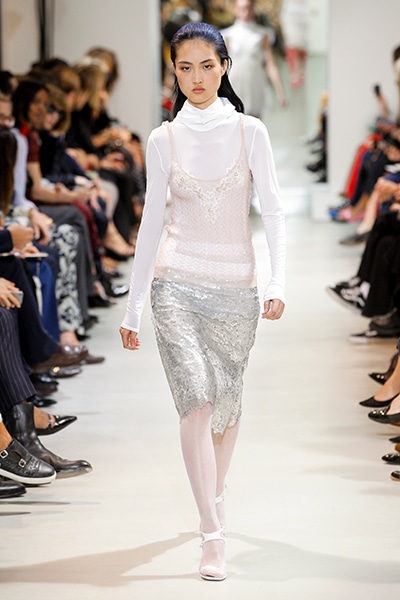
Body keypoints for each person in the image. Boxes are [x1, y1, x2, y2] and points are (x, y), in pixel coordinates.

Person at [119, 22, 285, 581]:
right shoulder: (162, 139)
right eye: (185, 67)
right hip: (176, 284)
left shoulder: (250, 132)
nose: (196, 77)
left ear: (224, 67)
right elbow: (149, 225)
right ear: (173, 71)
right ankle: (212, 532)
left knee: (227, 405)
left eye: (207, 66)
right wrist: (134, 306)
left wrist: (278, 281)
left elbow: (274, 210)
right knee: (196, 402)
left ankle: (213, 494)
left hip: (237, 287)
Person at [221, 0, 287, 117]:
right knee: (235, 119)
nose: (246, 12)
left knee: (254, 122)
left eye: (249, 8)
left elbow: (270, 63)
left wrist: (280, 91)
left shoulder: (262, 34)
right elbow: (221, 65)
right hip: (235, 82)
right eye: (242, 8)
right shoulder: (227, 35)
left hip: (255, 82)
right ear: (235, 9)